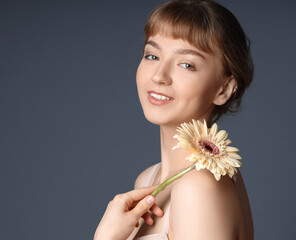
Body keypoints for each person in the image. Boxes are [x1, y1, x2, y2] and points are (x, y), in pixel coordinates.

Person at [94, 0, 254, 239]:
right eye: (152, 55)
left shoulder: (198, 187)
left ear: (224, 88)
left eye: (186, 64)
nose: (159, 75)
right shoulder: (148, 179)